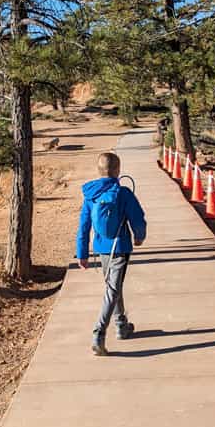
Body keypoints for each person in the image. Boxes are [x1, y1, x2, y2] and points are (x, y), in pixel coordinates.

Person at [76, 151, 147, 355]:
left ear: (98, 171)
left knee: (113, 287)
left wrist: (82, 253)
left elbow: (83, 226)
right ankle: (99, 332)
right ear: (118, 170)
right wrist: (139, 236)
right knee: (113, 289)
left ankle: (121, 325)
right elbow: (138, 218)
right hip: (120, 246)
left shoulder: (91, 195)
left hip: (101, 249)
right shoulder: (123, 193)